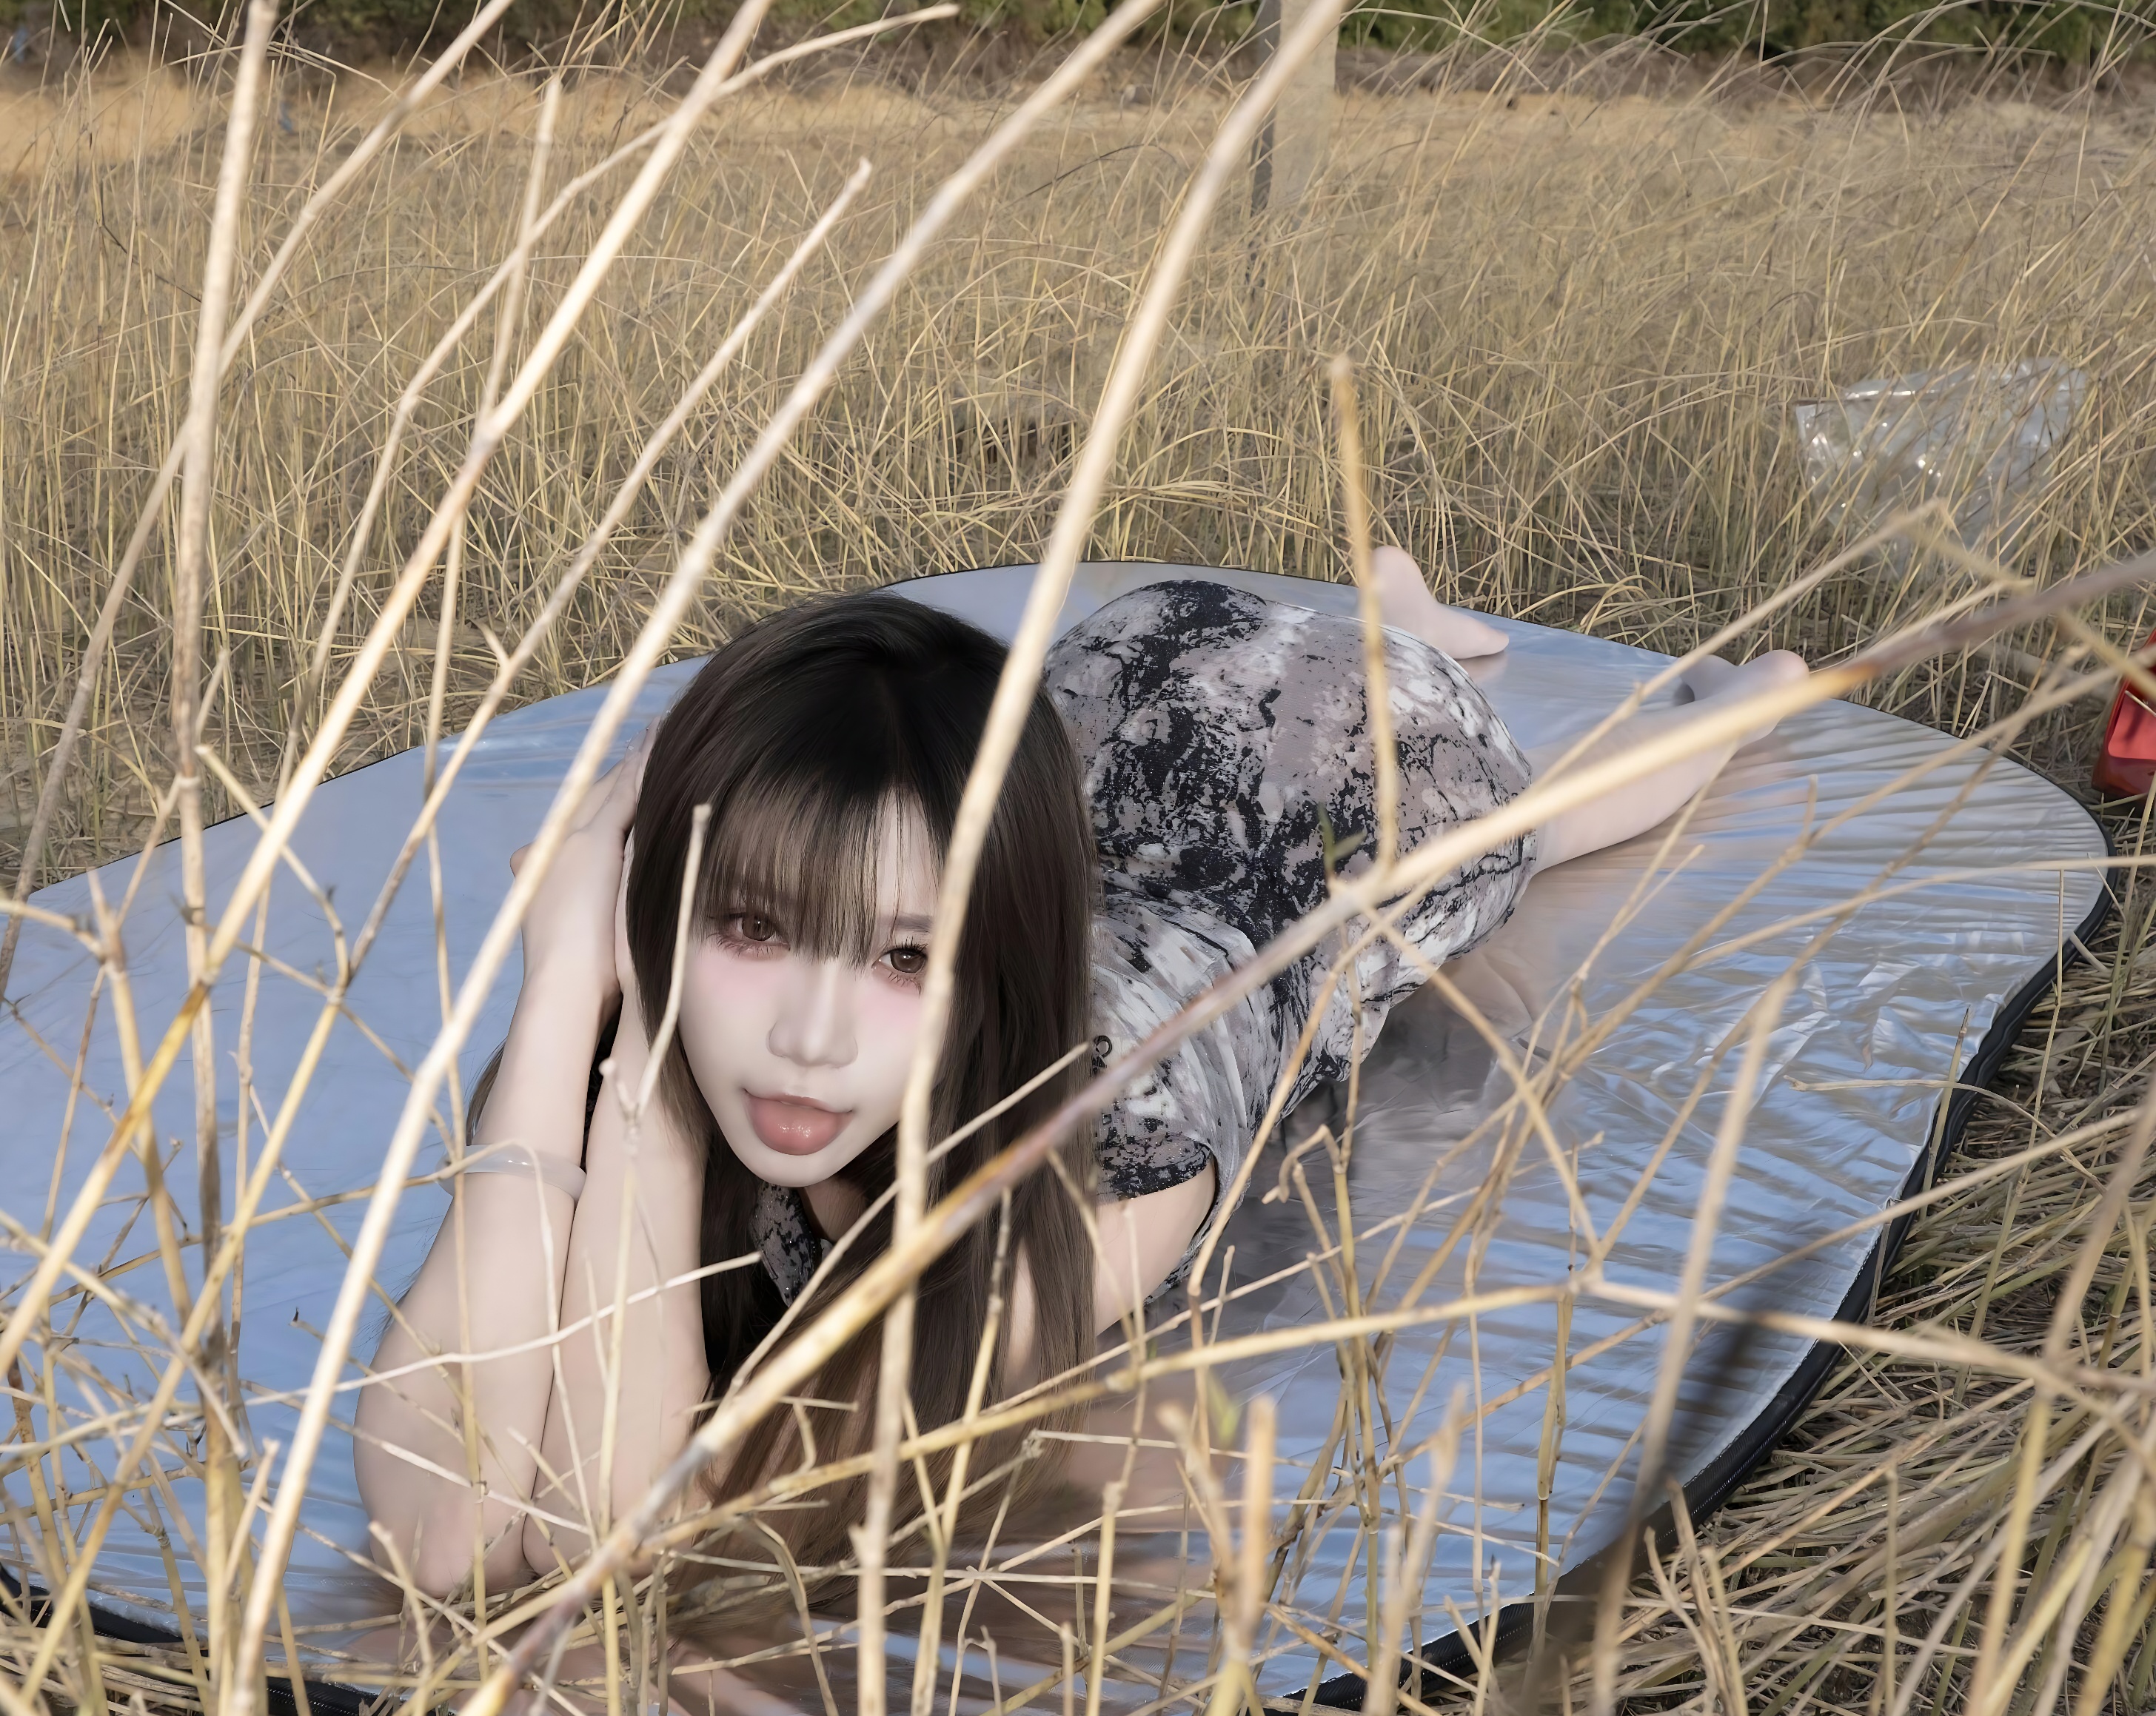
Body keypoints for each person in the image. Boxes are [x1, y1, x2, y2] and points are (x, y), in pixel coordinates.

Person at [353, 558, 1804, 1601]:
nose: (806, 1038)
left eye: (905, 959)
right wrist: (577, 1002)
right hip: (1112, 692)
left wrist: (1748, 696)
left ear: (990, 962)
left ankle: (1636, 675)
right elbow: (439, 1538)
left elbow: (620, 1532)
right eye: (751, 928)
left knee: (1542, 824)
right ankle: (1387, 606)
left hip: (1343, 798)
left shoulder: (1112, 1154)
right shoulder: (658, 1008)